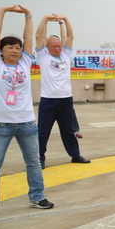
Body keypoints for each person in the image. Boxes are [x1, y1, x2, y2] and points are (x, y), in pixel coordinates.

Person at [0, 4, 54, 210]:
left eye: (17, 47)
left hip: (27, 123)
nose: (15, 50)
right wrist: (3, 11)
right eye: (10, 47)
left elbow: (28, 38)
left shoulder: (25, 62)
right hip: (1, 124)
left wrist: (28, 15)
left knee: (33, 163)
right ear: (1, 50)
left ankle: (37, 196)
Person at [34, 14, 90, 168]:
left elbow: (70, 36)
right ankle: (40, 158)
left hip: (66, 99)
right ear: (47, 46)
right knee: (43, 131)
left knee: (68, 130)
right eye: (54, 46)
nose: (58, 48)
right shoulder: (43, 55)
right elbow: (39, 35)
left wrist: (65, 19)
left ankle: (75, 155)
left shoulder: (65, 54)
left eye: (59, 45)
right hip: (48, 100)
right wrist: (45, 18)